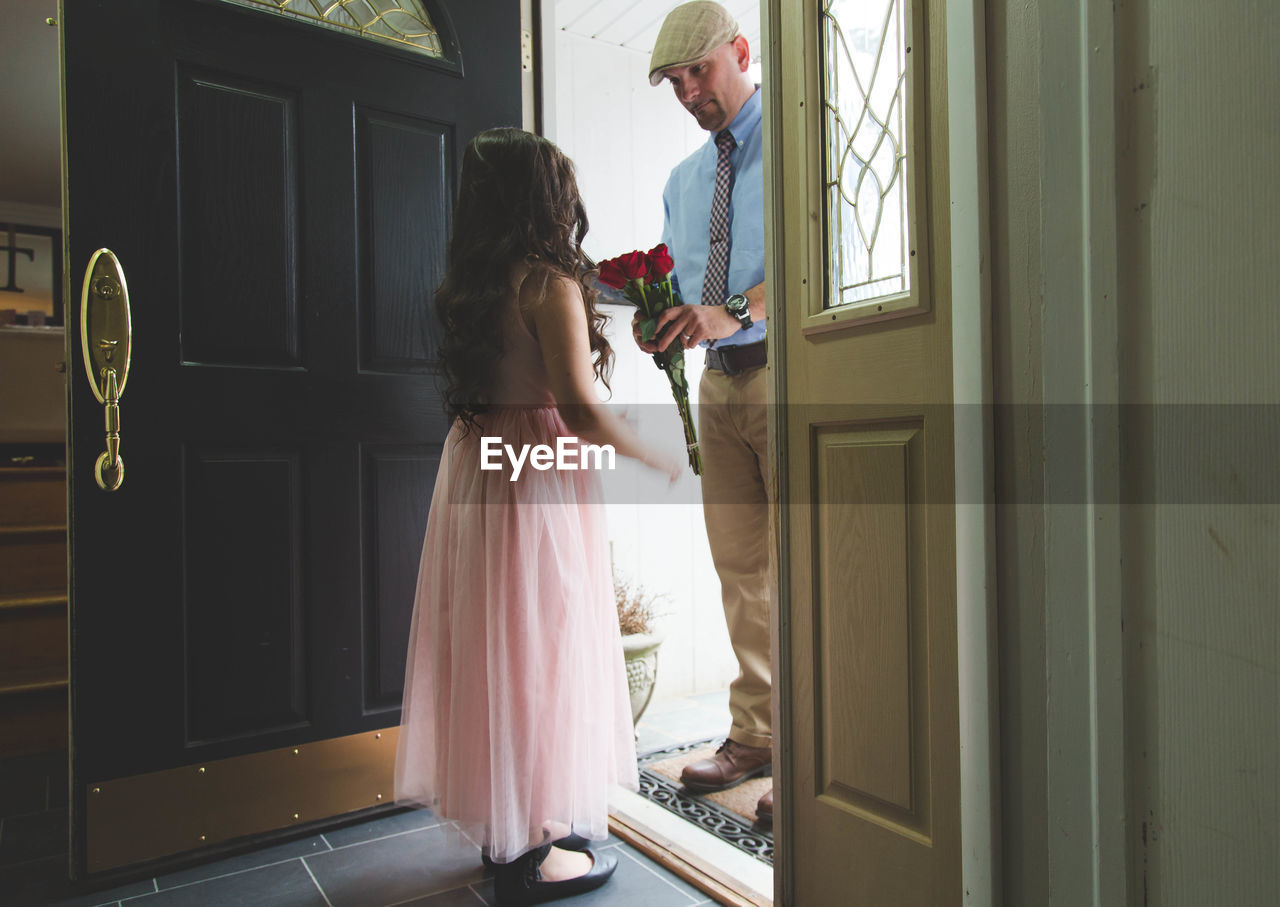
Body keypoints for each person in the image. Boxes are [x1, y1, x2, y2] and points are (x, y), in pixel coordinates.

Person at [395, 127, 682, 906]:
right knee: (543, 648)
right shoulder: (546, 283)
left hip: (478, 468)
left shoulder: (469, 287)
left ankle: (505, 832)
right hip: (535, 480)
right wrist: (659, 453)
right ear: (546, 198)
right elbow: (582, 411)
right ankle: (533, 851)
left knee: (496, 647)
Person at [634, 1, 775, 823]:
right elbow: (684, 286)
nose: (689, 92)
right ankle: (756, 735)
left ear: (742, 52)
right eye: (675, 83)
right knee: (742, 573)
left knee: (806, 573)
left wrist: (732, 307)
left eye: (700, 71)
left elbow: (810, 258)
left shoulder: (797, 144)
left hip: (793, 375)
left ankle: (817, 755)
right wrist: (670, 319)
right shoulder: (682, 183)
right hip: (718, 389)